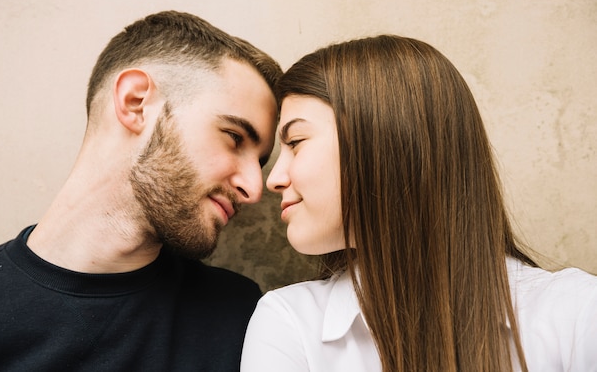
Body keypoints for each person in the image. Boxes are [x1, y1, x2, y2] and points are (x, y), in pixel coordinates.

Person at [240, 35, 597, 371]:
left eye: (297, 140)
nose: (273, 179)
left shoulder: (578, 312)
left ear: (386, 143)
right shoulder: (289, 324)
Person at [0, 10, 282, 371]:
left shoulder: (241, 315)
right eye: (233, 137)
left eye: (259, 163)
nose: (254, 188)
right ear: (135, 103)